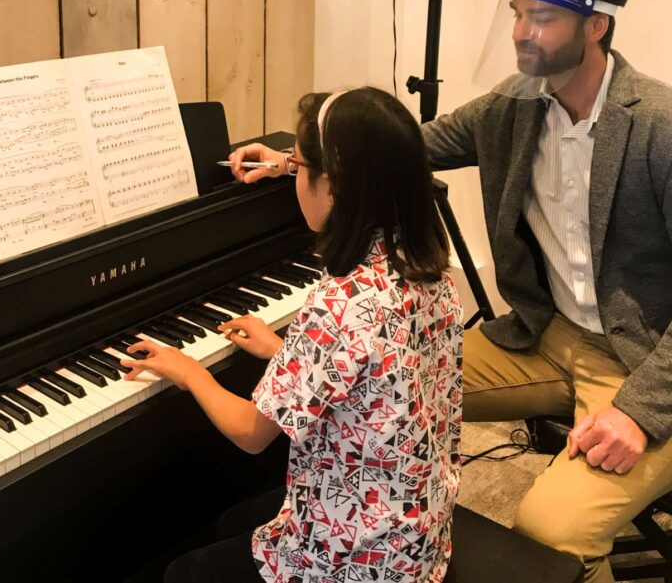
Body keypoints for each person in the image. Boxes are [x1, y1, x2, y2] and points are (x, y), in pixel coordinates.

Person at [231, 0, 672, 583]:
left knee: (553, 528)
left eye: (541, 18)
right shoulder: (514, 106)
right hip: (542, 338)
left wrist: (638, 412)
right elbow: (402, 149)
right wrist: (293, 158)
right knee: (388, 394)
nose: (522, 33)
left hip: (644, 364)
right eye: (516, 13)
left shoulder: (658, 125)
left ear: (596, 24)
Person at [121, 87, 464, 583]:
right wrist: (288, 353)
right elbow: (381, 375)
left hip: (357, 561)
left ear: (335, 184)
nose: (293, 176)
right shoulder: (427, 268)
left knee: (182, 571)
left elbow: (252, 433)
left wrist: (188, 370)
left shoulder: (340, 305)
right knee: (232, 521)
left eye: (300, 167)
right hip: (418, 537)